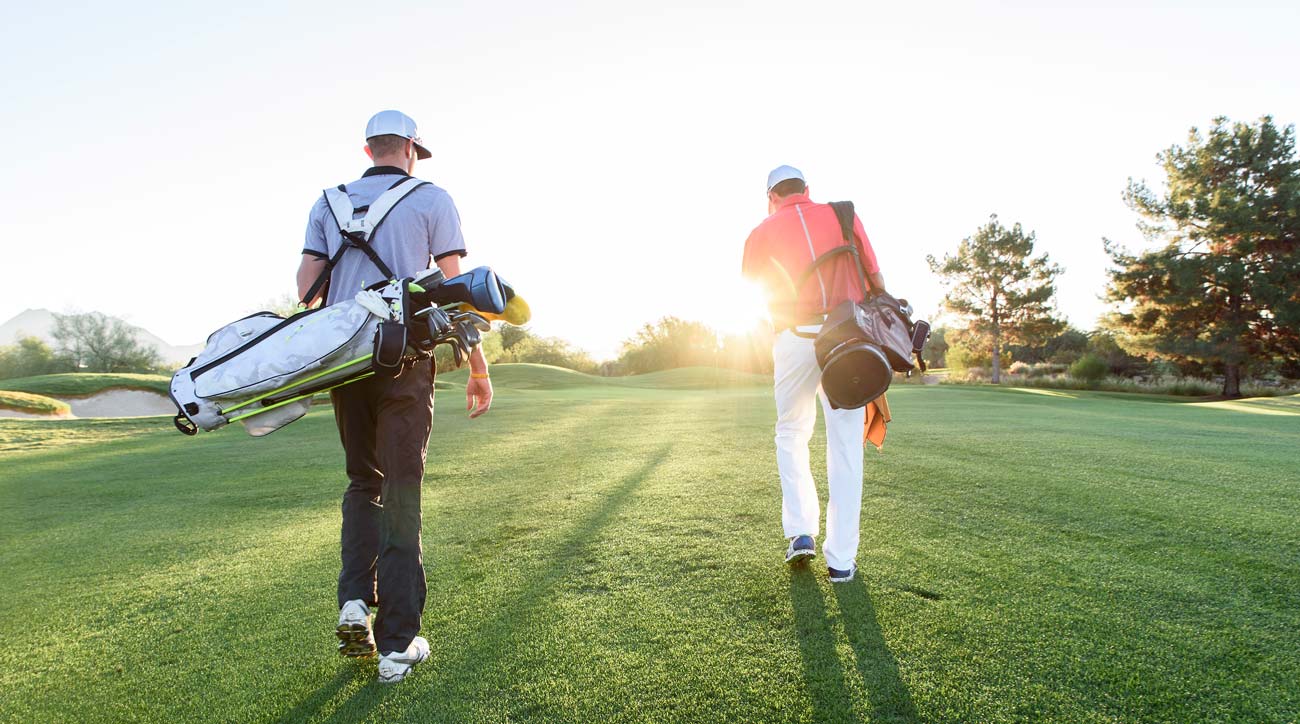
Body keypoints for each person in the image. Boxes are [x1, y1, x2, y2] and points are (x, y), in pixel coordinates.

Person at [296, 109, 494, 683]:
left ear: (368, 151)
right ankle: (395, 647)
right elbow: (457, 289)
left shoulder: (327, 202)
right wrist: (478, 365)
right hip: (405, 358)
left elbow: (307, 291)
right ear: (410, 148)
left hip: (345, 360)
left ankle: (355, 599)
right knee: (403, 489)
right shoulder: (433, 197)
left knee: (365, 481)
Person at [741, 165, 887, 584]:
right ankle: (841, 561)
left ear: (771, 196)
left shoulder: (760, 231)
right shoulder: (842, 214)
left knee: (791, 432)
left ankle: (800, 531)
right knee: (845, 445)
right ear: (807, 189)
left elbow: (754, 290)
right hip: (847, 340)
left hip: (795, 339)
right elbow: (875, 275)